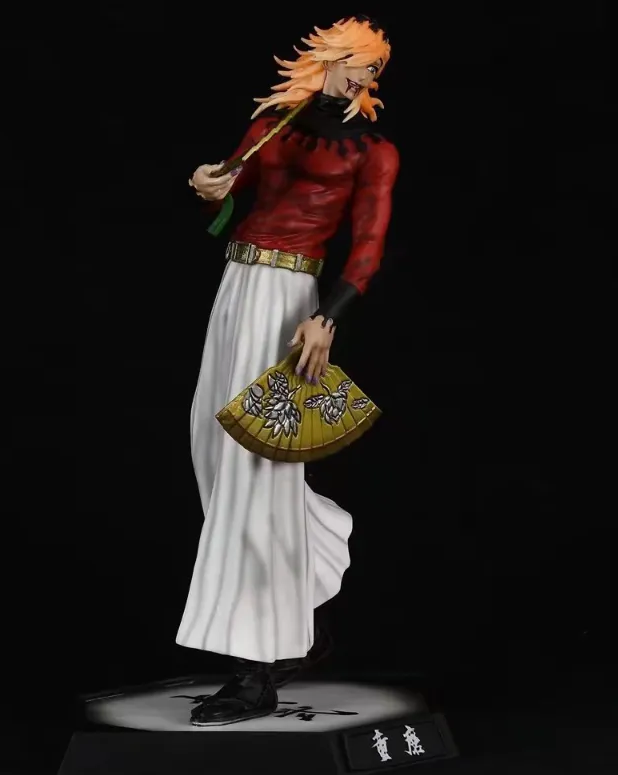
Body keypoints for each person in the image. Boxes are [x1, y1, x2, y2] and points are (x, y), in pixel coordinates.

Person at [177, 15, 400, 726]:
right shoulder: (274, 123)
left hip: (291, 301)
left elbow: (367, 247)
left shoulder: (374, 151)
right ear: (329, 59)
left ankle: (256, 667)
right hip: (237, 285)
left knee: (257, 469)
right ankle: (303, 589)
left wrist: (327, 316)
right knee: (211, 447)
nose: (367, 77)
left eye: (374, 68)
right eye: (359, 62)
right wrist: (211, 189)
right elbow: (231, 193)